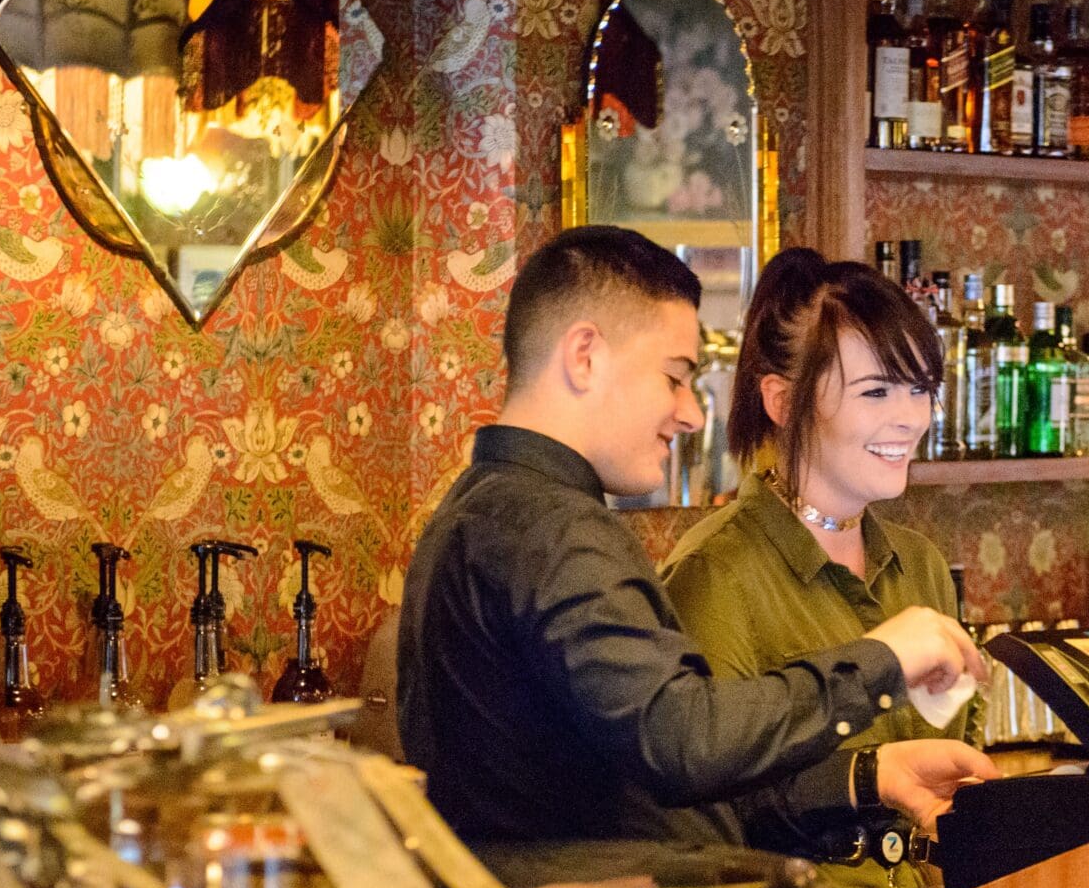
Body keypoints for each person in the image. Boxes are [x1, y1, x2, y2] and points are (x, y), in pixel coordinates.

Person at [397, 225, 988, 849]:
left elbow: (671, 765)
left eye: (921, 390)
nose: (692, 412)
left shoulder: (484, 505)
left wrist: (868, 774)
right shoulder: (559, 531)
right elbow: (683, 742)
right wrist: (882, 660)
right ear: (584, 357)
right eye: (675, 377)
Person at [663, 250, 996, 888]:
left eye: (920, 388)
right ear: (783, 402)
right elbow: (703, 815)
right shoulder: (716, 575)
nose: (910, 417)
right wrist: (864, 773)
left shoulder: (920, 563)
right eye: (876, 392)